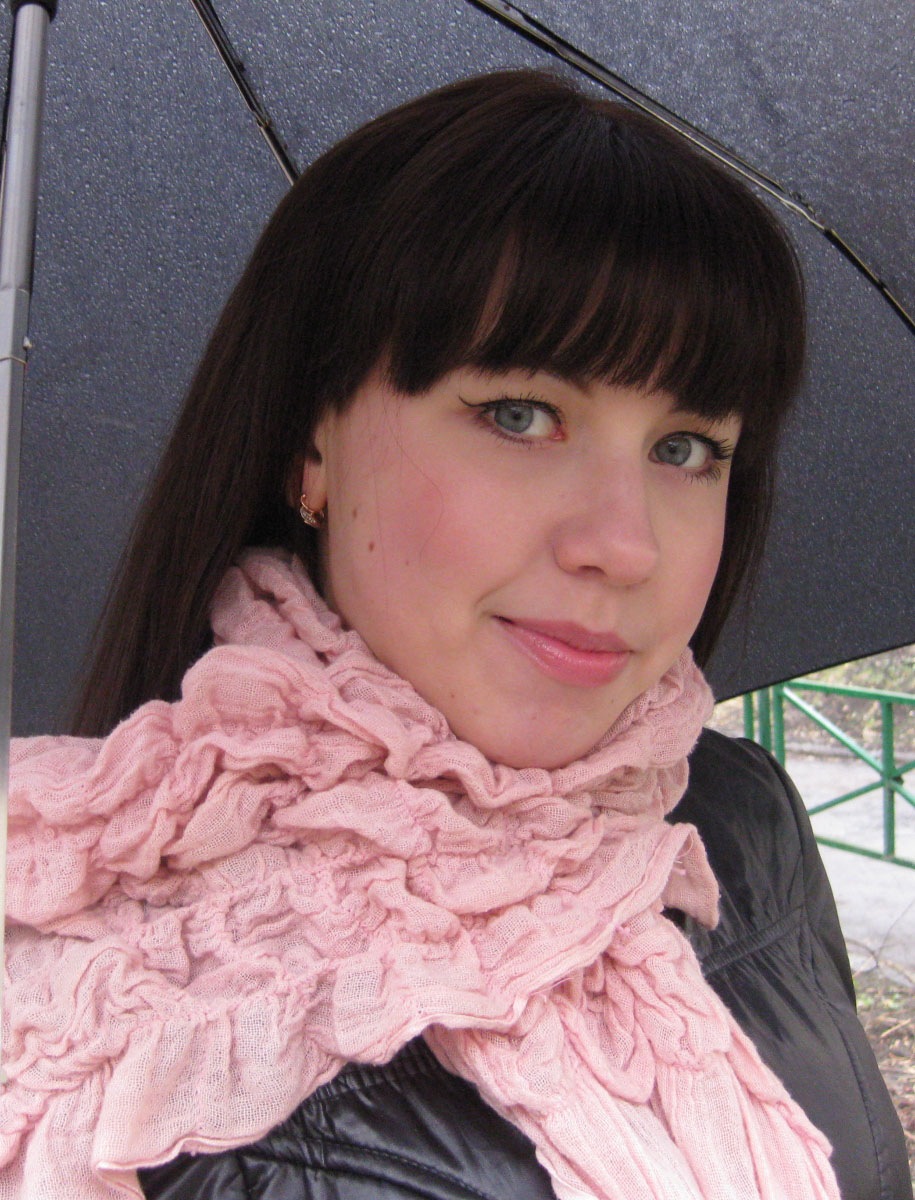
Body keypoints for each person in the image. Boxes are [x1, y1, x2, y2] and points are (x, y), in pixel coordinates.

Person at [0, 70, 909, 1200]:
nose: (626, 546)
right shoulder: (116, 1038)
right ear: (312, 448)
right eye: (521, 415)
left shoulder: (734, 818)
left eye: (686, 448)